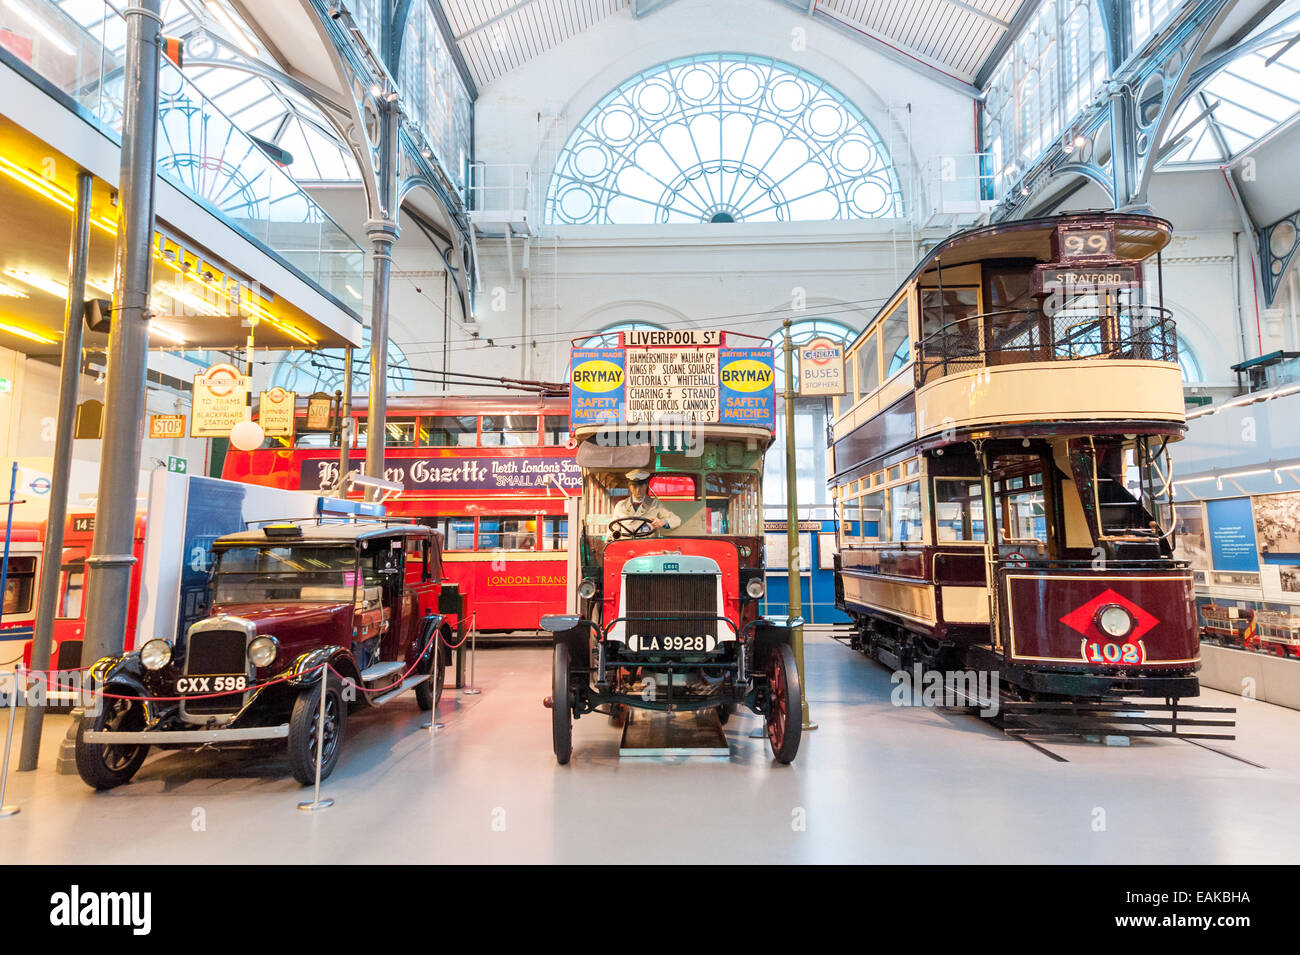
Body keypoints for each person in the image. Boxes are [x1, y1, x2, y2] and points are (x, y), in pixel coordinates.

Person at [606, 470, 681, 539]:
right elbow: (614, 528)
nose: (638, 490)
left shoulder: (655, 504)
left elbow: (676, 520)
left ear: (646, 485)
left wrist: (662, 522)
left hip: (647, 547)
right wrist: (609, 538)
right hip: (626, 547)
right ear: (629, 486)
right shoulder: (621, 505)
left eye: (641, 486)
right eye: (635, 486)